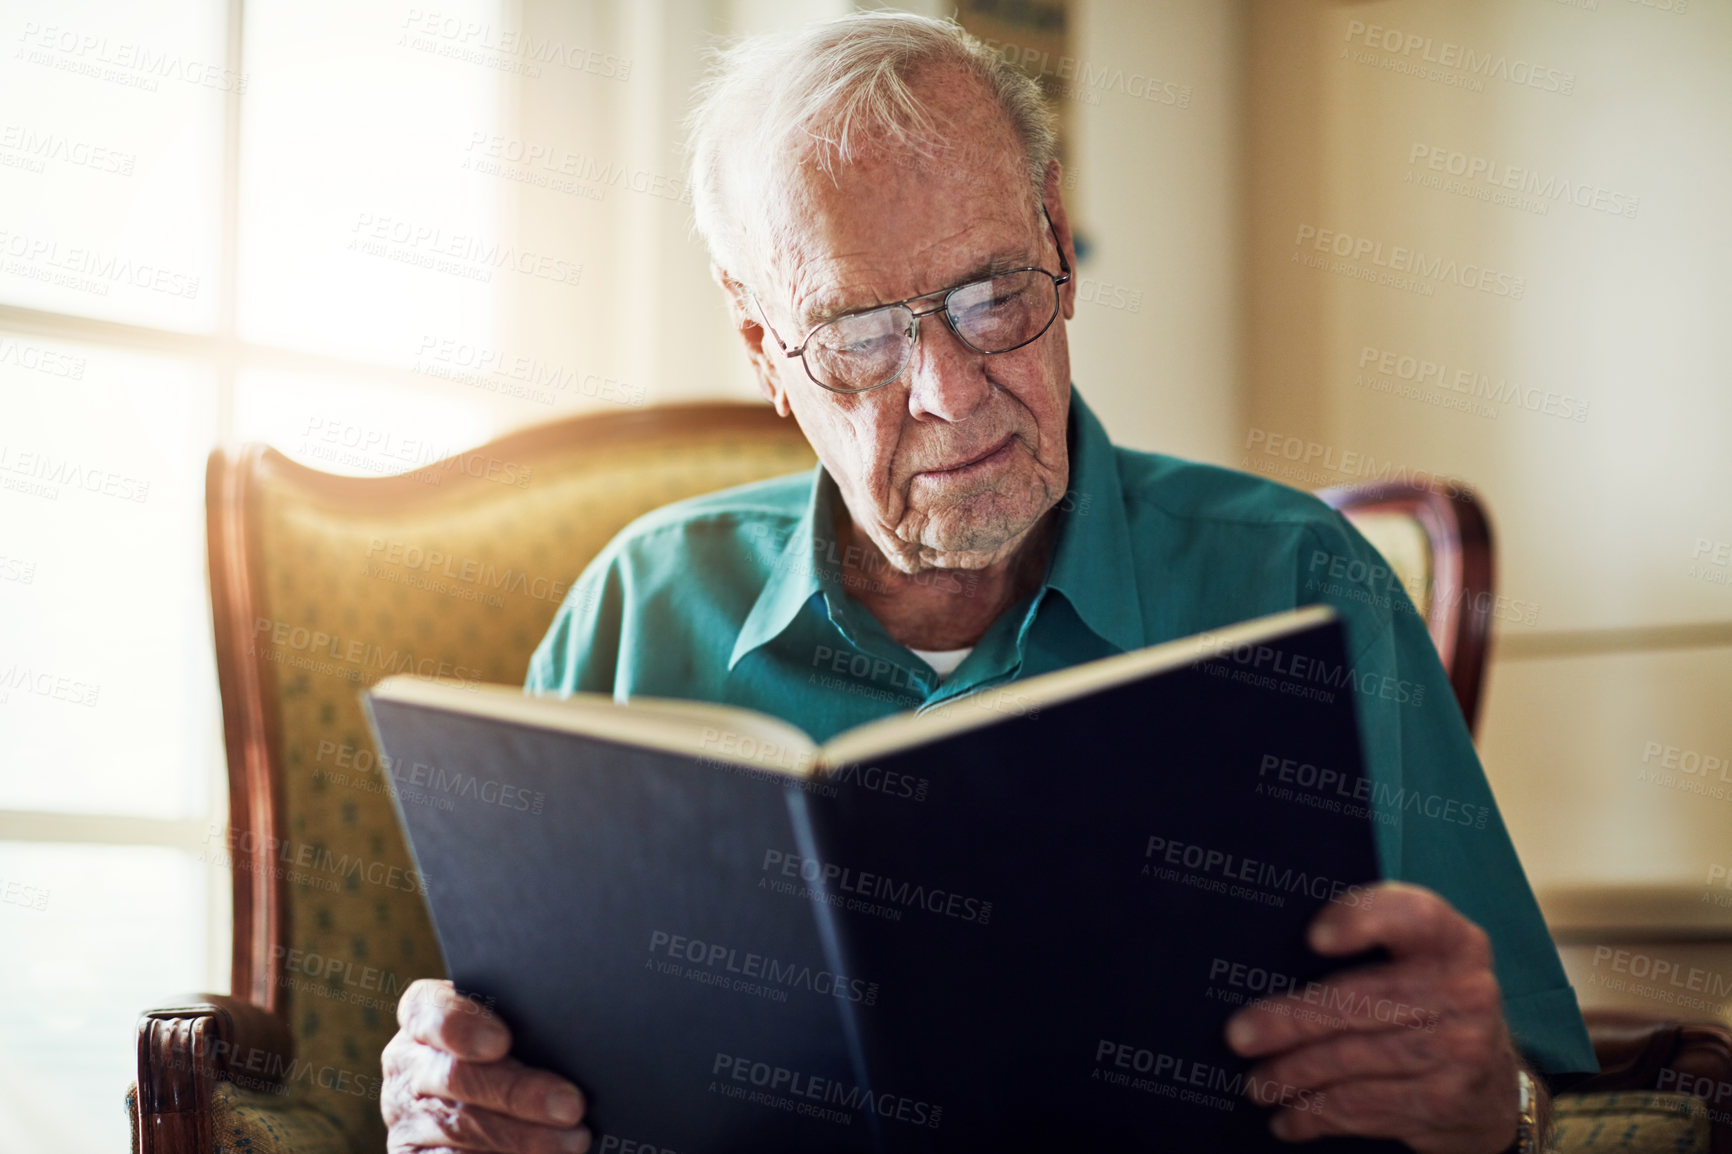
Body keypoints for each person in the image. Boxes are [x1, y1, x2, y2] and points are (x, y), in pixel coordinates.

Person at [380, 13, 1595, 1153]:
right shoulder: (636, 610)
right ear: (763, 347)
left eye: (996, 295)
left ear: (1058, 239)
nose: (950, 394)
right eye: (858, 333)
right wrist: (452, 1096)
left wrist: (1499, 1101)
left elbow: (1534, 1082)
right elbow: (491, 1064)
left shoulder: (1299, 582)